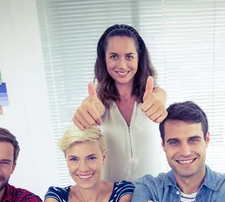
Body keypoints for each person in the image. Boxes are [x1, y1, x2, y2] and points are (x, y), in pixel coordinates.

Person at [72, 24, 168, 183]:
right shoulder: (97, 102)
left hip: (152, 194)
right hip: (112, 197)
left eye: (129, 56)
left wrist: (158, 103)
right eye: (114, 56)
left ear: (139, 58)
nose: (122, 65)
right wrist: (88, 110)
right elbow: (93, 106)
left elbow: (159, 98)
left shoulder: (154, 97)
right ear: (104, 60)